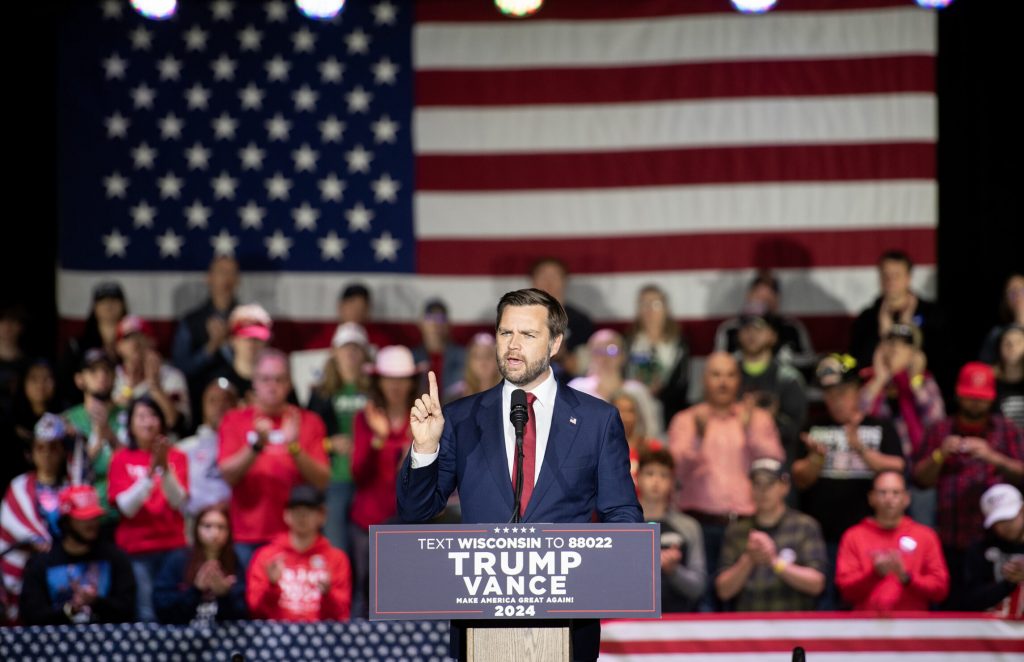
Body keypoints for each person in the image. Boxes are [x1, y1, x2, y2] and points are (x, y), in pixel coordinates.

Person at [397, 288, 640, 662]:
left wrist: (598, 573)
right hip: (481, 627)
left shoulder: (597, 420)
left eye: (528, 335)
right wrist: (426, 448)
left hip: (568, 626)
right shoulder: (460, 419)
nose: (513, 345)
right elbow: (416, 511)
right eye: (505, 332)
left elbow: (623, 516)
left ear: (555, 343)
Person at [791, 354, 905, 608]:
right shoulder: (813, 427)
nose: (835, 400)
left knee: (869, 603)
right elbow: (799, 479)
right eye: (829, 393)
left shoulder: (880, 426)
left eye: (842, 392)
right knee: (825, 607)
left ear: (857, 391)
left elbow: (898, 467)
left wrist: (860, 449)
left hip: (870, 539)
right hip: (823, 538)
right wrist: (816, 460)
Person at [912, 361, 1024, 609]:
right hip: (951, 539)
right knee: (952, 608)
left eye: (981, 398)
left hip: (997, 542)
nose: (976, 403)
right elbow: (920, 480)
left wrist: (993, 457)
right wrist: (940, 455)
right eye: (970, 397)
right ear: (959, 395)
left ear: (992, 398)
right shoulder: (940, 430)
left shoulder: (1006, 431)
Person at [667, 352, 784, 587]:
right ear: (704, 380)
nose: (723, 382)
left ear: (738, 380)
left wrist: (750, 430)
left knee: (745, 595)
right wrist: (698, 439)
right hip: (698, 523)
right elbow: (674, 472)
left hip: (747, 523)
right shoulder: (686, 420)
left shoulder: (757, 419)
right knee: (701, 598)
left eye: (730, 375)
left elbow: (775, 464)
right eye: (716, 375)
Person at [218, 349, 329, 569]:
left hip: (297, 536)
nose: (272, 385)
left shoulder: (308, 421)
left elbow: (322, 480)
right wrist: (256, 446)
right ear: (254, 383)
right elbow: (228, 475)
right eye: (265, 379)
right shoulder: (234, 420)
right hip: (247, 535)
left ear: (289, 384)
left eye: (279, 379)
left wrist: (295, 448)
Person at [349, 345, 420, 618]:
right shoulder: (364, 419)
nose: (395, 386)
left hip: (406, 522)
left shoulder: (421, 420)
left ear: (411, 382)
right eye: (389, 378)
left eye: (402, 379)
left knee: (404, 595)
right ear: (379, 381)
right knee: (365, 595)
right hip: (367, 522)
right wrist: (379, 440)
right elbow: (358, 474)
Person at [107, 396, 189, 622]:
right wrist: (151, 475)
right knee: (146, 613)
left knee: (175, 610)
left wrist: (165, 470)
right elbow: (126, 508)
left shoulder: (177, 456)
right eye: (141, 416)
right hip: (136, 550)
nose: (148, 422)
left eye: (153, 416)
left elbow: (179, 501)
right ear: (131, 423)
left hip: (173, 547)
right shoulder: (121, 459)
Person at [860, 323, 945, 526]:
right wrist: (881, 379)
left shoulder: (924, 381)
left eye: (902, 345)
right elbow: (859, 414)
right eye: (890, 344)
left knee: (923, 527)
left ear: (914, 354)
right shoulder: (871, 381)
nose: (895, 349)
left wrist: (914, 380)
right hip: (881, 471)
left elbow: (936, 422)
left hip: (918, 472)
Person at [715, 458, 826, 611]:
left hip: (794, 625)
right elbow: (723, 591)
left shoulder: (805, 526)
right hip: (748, 626)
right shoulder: (737, 531)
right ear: (750, 488)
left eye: (770, 483)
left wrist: (775, 562)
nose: (763, 491)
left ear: (784, 487)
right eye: (757, 484)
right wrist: (748, 559)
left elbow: (817, 584)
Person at [19, 485, 136, 625]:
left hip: (107, 642)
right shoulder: (41, 563)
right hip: (56, 643)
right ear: (66, 521)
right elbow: (31, 615)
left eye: (95, 517)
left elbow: (127, 609)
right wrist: (68, 610)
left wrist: (96, 602)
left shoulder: (116, 558)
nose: (92, 523)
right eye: (84, 517)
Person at [835, 470, 949, 611]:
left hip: (914, 627)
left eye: (896, 493)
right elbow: (844, 590)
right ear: (871, 498)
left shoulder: (925, 536)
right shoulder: (853, 536)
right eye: (882, 492)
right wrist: (874, 574)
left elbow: (940, 589)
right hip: (865, 627)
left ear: (906, 498)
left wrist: (907, 577)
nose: (889, 499)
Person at [307, 322, 371, 552]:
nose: (351, 353)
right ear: (334, 351)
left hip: (368, 480)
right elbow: (306, 440)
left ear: (365, 353)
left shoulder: (376, 390)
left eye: (356, 347)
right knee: (337, 550)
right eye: (346, 347)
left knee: (368, 553)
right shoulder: (321, 393)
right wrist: (328, 444)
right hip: (335, 478)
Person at [0, 414, 71, 622]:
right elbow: (12, 524)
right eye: (41, 448)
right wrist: (37, 540)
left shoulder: (71, 486)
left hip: (63, 568)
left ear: (63, 453)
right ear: (31, 453)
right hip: (28, 571)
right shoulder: (18, 487)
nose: (47, 454)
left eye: (54, 448)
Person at [849, 250, 949, 394]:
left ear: (908, 278)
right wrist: (883, 337)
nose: (890, 281)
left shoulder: (932, 315)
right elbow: (857, 362)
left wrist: (909, 335)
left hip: (921, 395)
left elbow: (943, 360)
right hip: (878, 397)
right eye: (885, 275)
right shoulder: (867, 319)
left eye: (896, 275)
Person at [246, 485, 351, 621]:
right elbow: (255, 612)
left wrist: (328, 594)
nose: (302, 516)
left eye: (309, 510)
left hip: (321, 636)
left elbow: (341, 616)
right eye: (296, 510)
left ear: (322, 516)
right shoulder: (266, 556)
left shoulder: (337, 559)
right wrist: (271, 586)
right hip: (276, 636)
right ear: (286, 514)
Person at [171, 255, 240, 425]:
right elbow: (181, 368)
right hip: (198, 407)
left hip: (239, 403)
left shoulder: (247, 320)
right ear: (208, 278)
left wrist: (226, 345)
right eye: (221, 272)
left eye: (231, 273)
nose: (226, 279)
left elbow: (257, 366)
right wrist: (212, 346)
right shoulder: (191, 321)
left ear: (238, 280)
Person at [154, 504, 247, 624]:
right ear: (196, 528)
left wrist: (224, 595)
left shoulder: (234, 561)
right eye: (207, 526)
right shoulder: (178, 559)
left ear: (229, 532)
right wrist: (195, 590)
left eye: (221, 527)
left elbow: (242, 615)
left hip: (223, 638)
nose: (214, 533)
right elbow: (162, 608)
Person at [62, 349, 126, 522]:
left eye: (107, 370)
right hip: (84, 514)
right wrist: (98, 437)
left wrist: (110, 435)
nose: (102, 376)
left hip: (124, 510)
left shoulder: (130, 415)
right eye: (93, 371)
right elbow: (67, 475)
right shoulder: (68, 420)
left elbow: (134, 464)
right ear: (79, 379)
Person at [636, 449, 705, 612]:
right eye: (649, 473)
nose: (656, 481)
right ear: (637, 478)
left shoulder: (689, 527)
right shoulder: (621, 526)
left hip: (678, 623)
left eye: (663, 475)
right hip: (630, 623)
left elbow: (699, 587)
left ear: (672, 482)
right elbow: (608, 586)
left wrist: (674, 570)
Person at [734, 311, 807, 462]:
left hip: (777, 468)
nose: (751, 334)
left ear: (773, 336)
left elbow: (796, 431)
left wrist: (766, 420)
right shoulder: (727, 376)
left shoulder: (789, 379)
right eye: (746, 328)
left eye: (758, 328)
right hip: (736, 464)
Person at [569, 328, 664, 440]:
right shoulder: (577, 389)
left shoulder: (638, 391)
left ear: (623, 355)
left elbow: (652, 431)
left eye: (611, 350)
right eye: (598, 350)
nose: (605, 357)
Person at [713, 272, 816, 370]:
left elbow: (809, 363)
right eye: (759, 298)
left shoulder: (792, 328)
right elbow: (717, 365)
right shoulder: (730, 329)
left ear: (772, 336)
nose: (763, 304)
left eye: (768, 300)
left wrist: (781, 359)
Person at [112, 315, 191, 435]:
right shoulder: (112, 376)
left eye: (140, 337)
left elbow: (174, 422)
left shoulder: (172, 376)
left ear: (152, 342)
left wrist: (155, 386)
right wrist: (130, 386)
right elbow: (113, 418)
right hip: (125, 447)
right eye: (127, 338)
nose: (135, 343)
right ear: (118, 347)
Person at [624, 285, 690, 426]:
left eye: (656, 304)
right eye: (644, 304)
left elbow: (682, 384)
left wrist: (661, 391)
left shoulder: (679, 343)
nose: (650, 310)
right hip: (633, 412)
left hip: (669, 413)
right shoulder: (629, 341)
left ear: (666, 308)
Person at [57, 281, 127, 404]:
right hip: (83, 411)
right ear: (94, 307)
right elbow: (65, 384)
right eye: (103, 301)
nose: (109, 305)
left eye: (114, 300)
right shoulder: (77, 346)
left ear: (123, 306)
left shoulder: (133, 345)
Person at [177, 379, 237, 519]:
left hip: (238, 524)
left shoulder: (250, 447)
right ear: (203, 406)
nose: (220, 406)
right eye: (213, 401)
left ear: (237, 405)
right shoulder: (183, 449)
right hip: (194, 524)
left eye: (226, 400)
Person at [964, 483, 1024, 618]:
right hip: (995, 632)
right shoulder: (980, 549)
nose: (1004, 526)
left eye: (1009, 519)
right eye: (997, 521)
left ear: (1022, 510)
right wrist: (1008, 582)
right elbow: (971, 600)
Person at [530, 257, 594, 379]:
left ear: (565, 281)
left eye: (554, 277)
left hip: (571, 389)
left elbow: (586, 367)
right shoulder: (517, 318)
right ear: (533, 281)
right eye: (543, 276)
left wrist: (562, 355)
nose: (548, 283)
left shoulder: (580, 321)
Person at [412, 298, 466, 395]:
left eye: (440, 319)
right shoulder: (412, 358)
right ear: (420, 323)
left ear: (448, 324)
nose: (435, 324)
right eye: (429, 318)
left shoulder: (463, 357)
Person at [613, 389, 663, 488]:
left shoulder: (652, 448)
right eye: (620, 411)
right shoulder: (600, 449)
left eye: (630, 411)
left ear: (637, 415)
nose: (625, 416)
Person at [444, 332, 501, 403]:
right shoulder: (454, 396)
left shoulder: (508, 394)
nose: (483, 362)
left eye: (488, 355)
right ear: (468, 361)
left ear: (499, 360)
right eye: (477, 356)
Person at [979, 273, 1024, 364]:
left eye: (1022, 290)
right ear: (1006, 301)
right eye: (1012, 293)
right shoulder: (997, 334)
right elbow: (984, 367)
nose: (1018, 296)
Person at [994, 324, 1024, 428]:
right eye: (1006, 342)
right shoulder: (991, 379)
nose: (1012, 347)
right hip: (1002, 440)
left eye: (1019, 342)